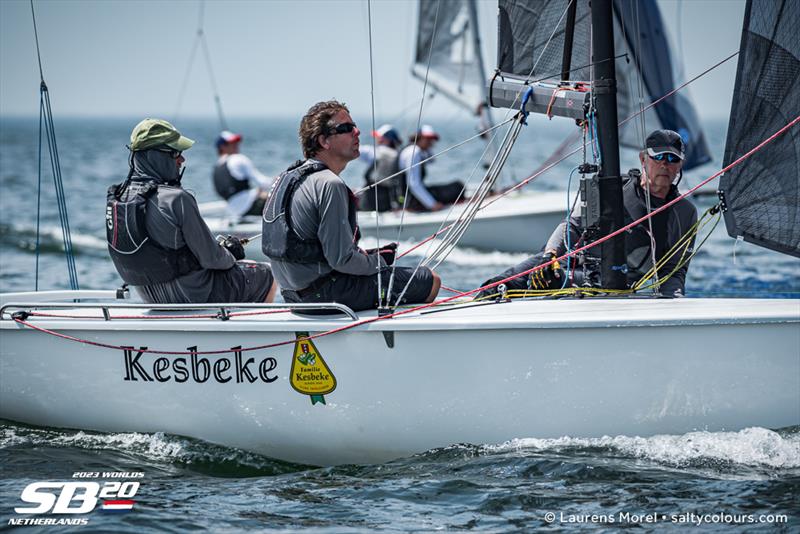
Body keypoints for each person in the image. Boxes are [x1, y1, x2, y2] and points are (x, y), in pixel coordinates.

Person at [262, 100, 441, 313]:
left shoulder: (288, 178)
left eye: (354, 126)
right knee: (430, 279)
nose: (357, 132)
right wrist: (378, 262)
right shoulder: (330, 184)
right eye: (346, 128)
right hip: (326, 295)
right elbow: (341, 260)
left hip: (292, 296)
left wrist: (367, 257)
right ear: (324, 141)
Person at [477, 129, 698, 298]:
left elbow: (675, 272)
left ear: (680, 166)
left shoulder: (684, 213)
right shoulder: (613, 189)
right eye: (658, 157)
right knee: (502, 284)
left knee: (554, 281)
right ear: (643, 159)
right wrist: (550, 254)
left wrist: (672, 305)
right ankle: (479, 303)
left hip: (615, 284)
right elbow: (571, 226)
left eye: (672, 159)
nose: (665, 165)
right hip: (574, 262)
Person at [106, 118, 277, 304]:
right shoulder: (177, 199)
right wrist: (231, 253)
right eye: (175, 153)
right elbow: (213, 259)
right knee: (267, 273)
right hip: (193, 294)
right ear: (156, 156)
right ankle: (244, 332)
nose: (181, 159)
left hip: (149, 297)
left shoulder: (118, 198)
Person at [397, 124, 465, 211]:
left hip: (412, 196)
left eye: (431, 140)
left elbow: (432, 160)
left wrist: (428, 147)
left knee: (457, 186)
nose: (430, 142)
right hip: (411, 200)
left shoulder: (417, 150)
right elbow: (414, 184)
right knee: (458, 187)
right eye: (427, 139)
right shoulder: (414, 153)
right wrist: (432, 204)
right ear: (419, 138)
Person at [213, 130, 274, 218]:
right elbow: (263, 182)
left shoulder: (217, 166)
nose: (236, 145)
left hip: (232, 210)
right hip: (249, 207)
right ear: (222, 147)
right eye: (232, 143)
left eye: (236, 143)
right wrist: (279, 180)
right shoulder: (238, 158)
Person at [357, 123, 403, 212]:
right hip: (386, 199)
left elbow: (357, 151)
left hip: (370, 199)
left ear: (386, 139)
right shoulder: (397, 154)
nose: (376, 139)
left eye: (379, 137)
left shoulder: (376, 152)